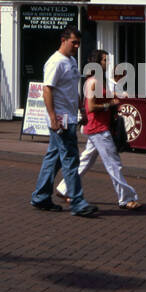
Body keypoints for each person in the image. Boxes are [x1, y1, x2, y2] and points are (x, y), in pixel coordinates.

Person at [28, 27, 98, 217]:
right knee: (70, 159)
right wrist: (52, 118)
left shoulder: (72, 61)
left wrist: (81, 109)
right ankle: (77, 202)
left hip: (70, 116)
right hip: (61, 118)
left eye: (78, 43)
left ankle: (41, 196)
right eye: (73, 42)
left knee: (55, 158)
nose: (76, 46)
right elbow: (47, 90)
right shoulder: (55, 62)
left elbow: (71, 89)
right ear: (63, 40)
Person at [58, 50, 140, 209]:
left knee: (85, 160)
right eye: (104, 60)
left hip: (98, 127)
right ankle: (126, 198)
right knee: (114, 163)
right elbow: (91, 106)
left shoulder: (98, 81)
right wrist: (110, 105)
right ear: (97, 63)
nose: (107, 63)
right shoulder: (93, 82)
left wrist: (117, 97)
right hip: (98, 128)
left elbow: (107, 96)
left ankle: (65, 188)